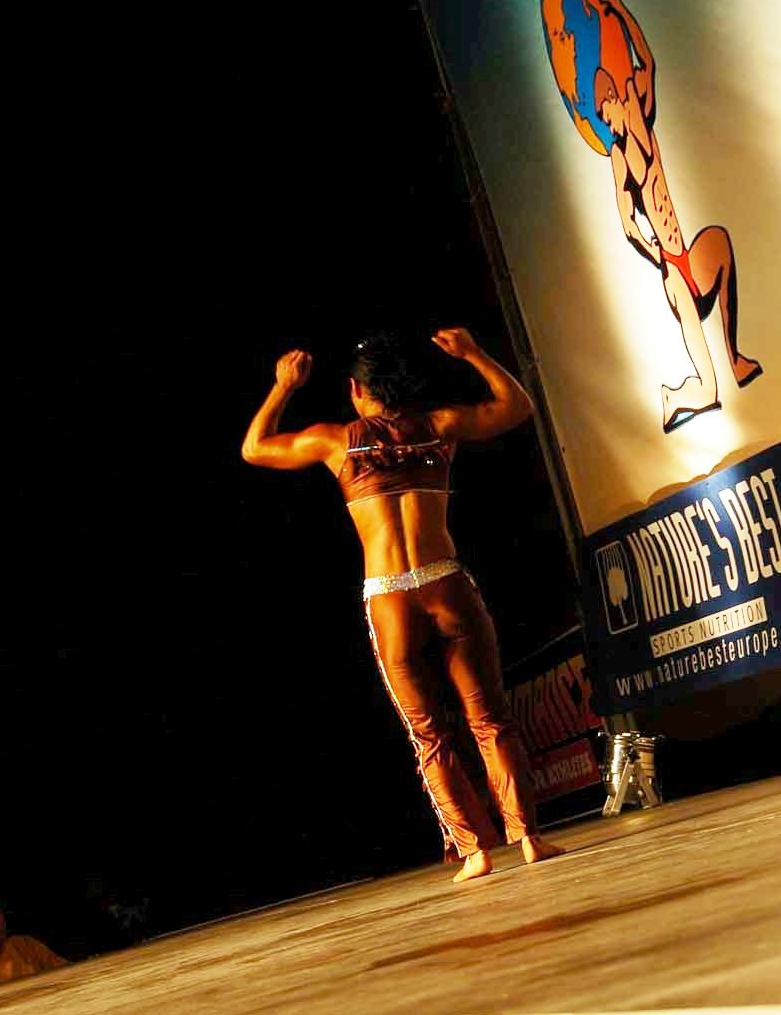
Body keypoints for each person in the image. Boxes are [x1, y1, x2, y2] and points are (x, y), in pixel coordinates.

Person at [241, 327, 564, 882]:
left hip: (389, 597)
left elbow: (254, 448)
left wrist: (283, 386)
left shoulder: (336, 441)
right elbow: (517, 406)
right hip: (446, 584)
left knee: (428, 734)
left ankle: (475, 852)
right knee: (490, 720)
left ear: (356, 391)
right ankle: (528, 838)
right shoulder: (440, 426)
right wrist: (473, 353)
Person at [594, 0, 763, 432]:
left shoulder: (644, 123)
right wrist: (657, 256)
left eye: (610, 106)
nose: (611, 118)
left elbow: (648, 61)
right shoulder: (619, 157)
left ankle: (734, 356)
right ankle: (676, 396)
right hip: (673, 271)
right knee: (708, 394)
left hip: (688, 253)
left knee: (720, 243)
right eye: (606, 111)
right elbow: (628, 223)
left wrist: (620, 10)